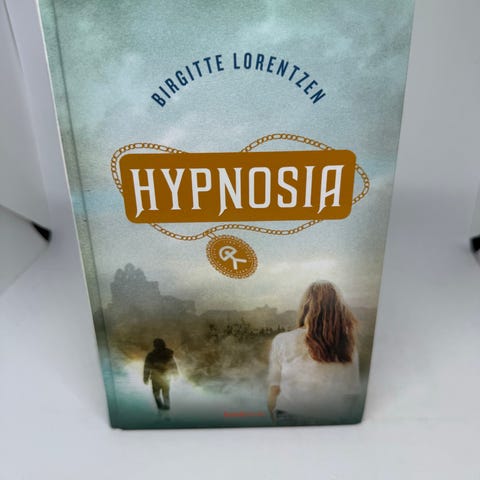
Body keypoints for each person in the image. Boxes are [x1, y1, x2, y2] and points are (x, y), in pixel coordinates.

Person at [267, 282, 361, 425]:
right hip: (331, 419)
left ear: (305, 307)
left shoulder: (282, 340)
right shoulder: (348, 346)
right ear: (338, 311)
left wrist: (275, 421)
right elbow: (352, 395)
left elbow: (274, 389)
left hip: (289, 416)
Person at [143, 338, 178, 410]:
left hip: (156, 378)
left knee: (156, 394)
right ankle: (166, 407)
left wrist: (146, 378)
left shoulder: (151, 355)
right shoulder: (168, 354)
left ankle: (160, 407)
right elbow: (173, 365)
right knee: (165, 393)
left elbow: (147, 367)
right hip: (165, 377)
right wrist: (175, 374)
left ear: (154, 345)